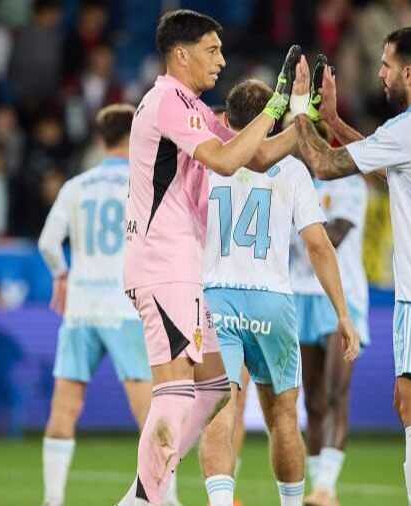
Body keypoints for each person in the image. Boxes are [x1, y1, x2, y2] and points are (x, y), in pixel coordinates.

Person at [119, 9, 305, 506]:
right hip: (164, 264)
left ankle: (142, 495)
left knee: (216, 385)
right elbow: (225, 161)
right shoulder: (168, 102)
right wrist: (275, 107)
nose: (222, 60)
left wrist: (301, 118)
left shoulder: (193, 109)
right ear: (181, 54)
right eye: (212, 50)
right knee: (175, 390)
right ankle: (148, 500)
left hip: (181, 268)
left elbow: (258, 156)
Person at [295, 26, 411, 506]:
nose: (379, 74)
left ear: (409, 72)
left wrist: (298, 111)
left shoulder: (409, 129)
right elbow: (386, 164)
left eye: (384, 64)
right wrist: (334, 118)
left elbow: (324, 165)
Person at [199, 78, 360, 506]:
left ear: (228, 119)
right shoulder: (291, 169)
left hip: (216, 297)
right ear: (271, 123)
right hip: (273, 299)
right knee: (284, 417)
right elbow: (319, 245)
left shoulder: (206, 162)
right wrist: (343, 313)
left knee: (220, 408)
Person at [37, 104, 157, 506]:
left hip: (81, 310)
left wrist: (61, 275)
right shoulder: (143, 183)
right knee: (151, 413)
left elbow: (47, 244)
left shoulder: (76, 186)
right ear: (134, 137)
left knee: (64, 409)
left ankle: (53, 500)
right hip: (126, 309)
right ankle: (164, 497)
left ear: (101, 139)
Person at [290, 143, 369, 506]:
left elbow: (332, 237)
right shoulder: (292, 178)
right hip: (300, 292)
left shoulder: (348, 183)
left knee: (338, 392)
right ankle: (319, 487)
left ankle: (327, 486)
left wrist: (295, 221)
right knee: (314, 399)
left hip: (341, 294)